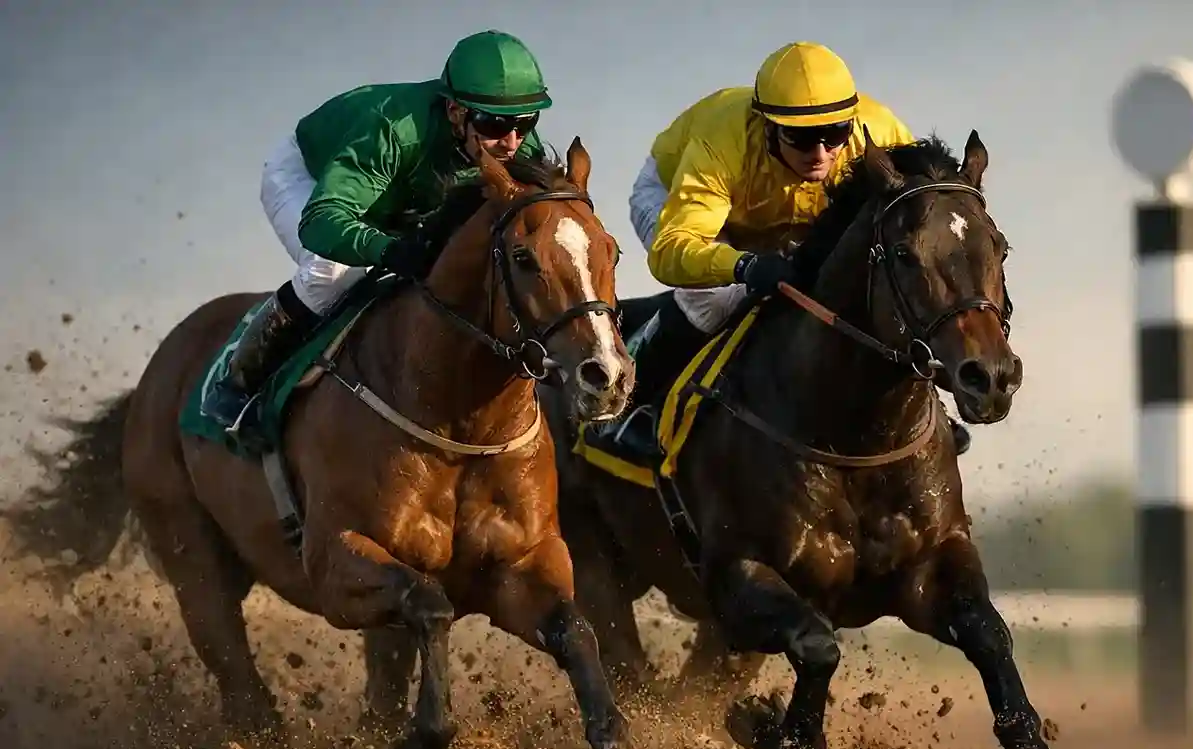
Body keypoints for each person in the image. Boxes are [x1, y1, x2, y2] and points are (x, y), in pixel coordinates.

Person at [601, 41, 972, 457]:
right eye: (800, 137)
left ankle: (929, 403)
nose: (819, 154)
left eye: (834, 135)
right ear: (767, 125)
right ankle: (638, 404)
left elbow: (917, 216)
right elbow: (672, 250)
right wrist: (743, 266)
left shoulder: (879, 132)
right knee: (717, 294)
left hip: (788, 217)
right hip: (681, 201)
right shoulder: (722, 143)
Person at [201, 30, 554, 432]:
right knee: (332, 272)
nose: (511, 142)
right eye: (493, 124)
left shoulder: (515, 143)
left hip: (401, 200)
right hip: (313, 179)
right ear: (456, 111)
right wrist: (388, 250)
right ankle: (238, 382)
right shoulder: (393, 130)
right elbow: (321, 222)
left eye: (526, 122)